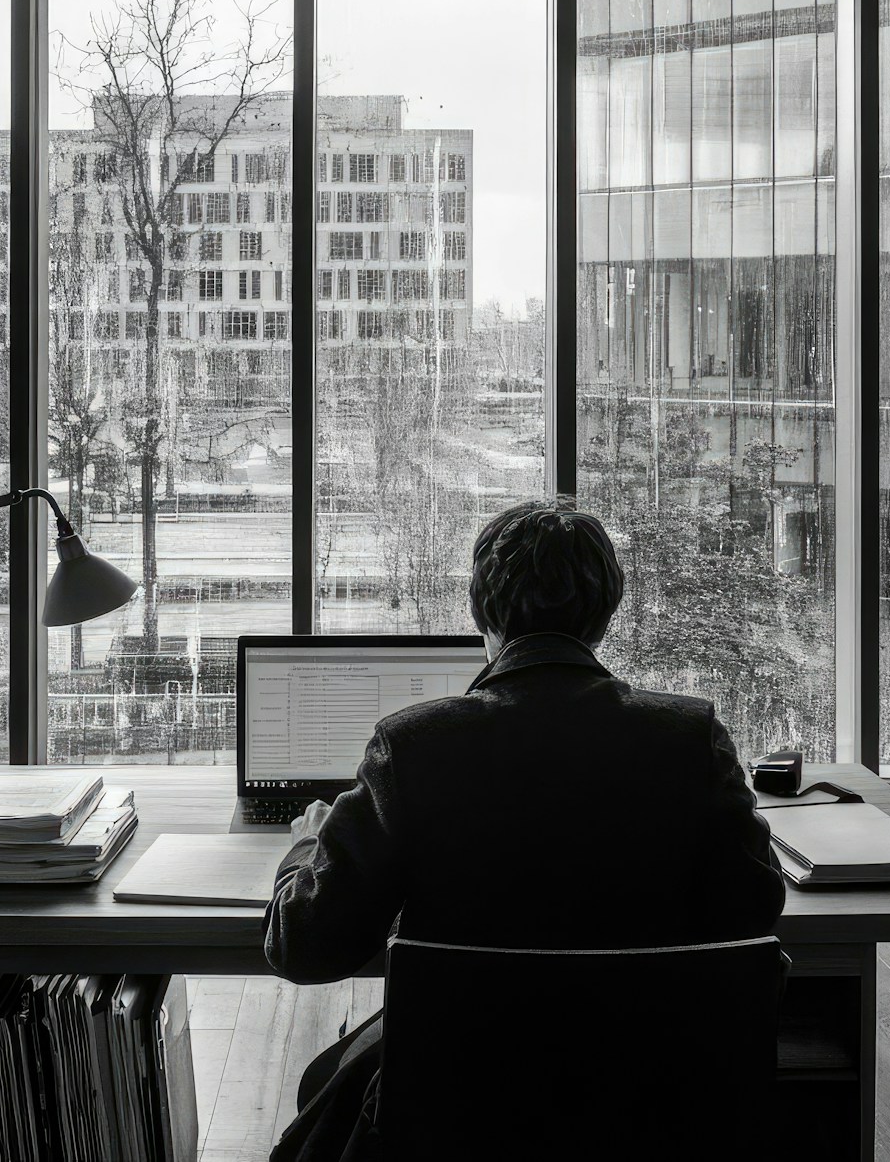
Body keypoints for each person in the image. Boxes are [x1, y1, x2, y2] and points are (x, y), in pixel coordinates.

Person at [263, 496, 787, 1162]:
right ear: (605, 616)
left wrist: (308, 843)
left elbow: (304, 947)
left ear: (482, 612)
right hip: (646, 1104)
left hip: (453, 1115)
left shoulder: (414, 745)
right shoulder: (691, 737)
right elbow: (754, 911)